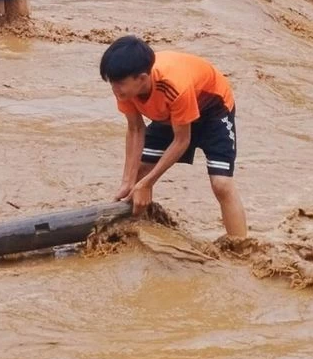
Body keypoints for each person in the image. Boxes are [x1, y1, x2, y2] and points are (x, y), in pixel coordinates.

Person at [100, 36, 247, 237]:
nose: (115, 89)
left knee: (221, 184)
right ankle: (135, 235)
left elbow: (182, 141)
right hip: (172, 116)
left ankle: (241, 248)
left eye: (120, 83)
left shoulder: (173, 85)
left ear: (142, 78)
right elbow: (135, 129)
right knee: (139, 174)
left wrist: (148, 183)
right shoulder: (126, 92)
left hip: (213, 111)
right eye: (111, 83)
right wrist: (129, 180)